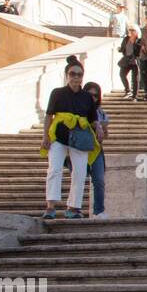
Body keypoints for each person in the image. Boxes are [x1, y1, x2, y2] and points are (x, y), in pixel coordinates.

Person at [40, 62, 103, 220]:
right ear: (67, 75)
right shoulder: (57, 93)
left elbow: (93, 118)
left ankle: (73, 207)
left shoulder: (87, 97)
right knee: (54, 170)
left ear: (83, 77)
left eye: (79, 74)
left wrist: (99, 127)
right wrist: (45, 136)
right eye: (72, 74)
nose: (76, 77)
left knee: (80, 173)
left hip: (80, 137)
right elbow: (49, 115)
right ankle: (50, 206)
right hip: (59, 136)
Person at [82, 81, 109, 218]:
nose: (93, 98)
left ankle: (99, 210)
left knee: (99, 180)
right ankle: (75, 209)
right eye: (90, 94)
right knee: (79, 179)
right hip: (80, 149)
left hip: (96, 149)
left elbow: (106, 135)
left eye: (96, 95)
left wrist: (102, 128)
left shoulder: (102, 114)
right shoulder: (78, 110)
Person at [118, 24, 143, 100]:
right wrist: (120, 49)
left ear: (137, 32)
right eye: (130, 30)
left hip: (135, 60)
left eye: (133, 30)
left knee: (136, 78)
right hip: (126, 60)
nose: (131, 32)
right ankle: (128, 90)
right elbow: (123, 48)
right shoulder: (126, 39)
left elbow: (140, 51)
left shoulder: (139, 40)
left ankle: (135, 96)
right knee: (122, 74)